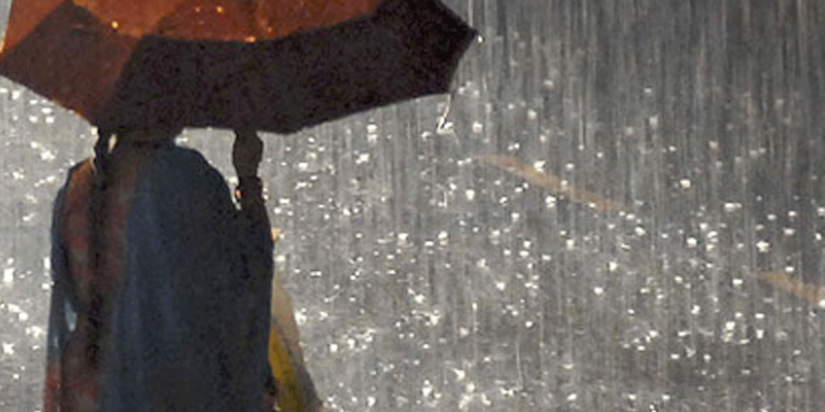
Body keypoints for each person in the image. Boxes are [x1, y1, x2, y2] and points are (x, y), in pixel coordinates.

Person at [44, 127, 275, 411]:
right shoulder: (185, 179)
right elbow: (243, 279)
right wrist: (248, 180)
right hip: (167, 392)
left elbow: (66, 307)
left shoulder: (76, 188)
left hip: (91, 395)